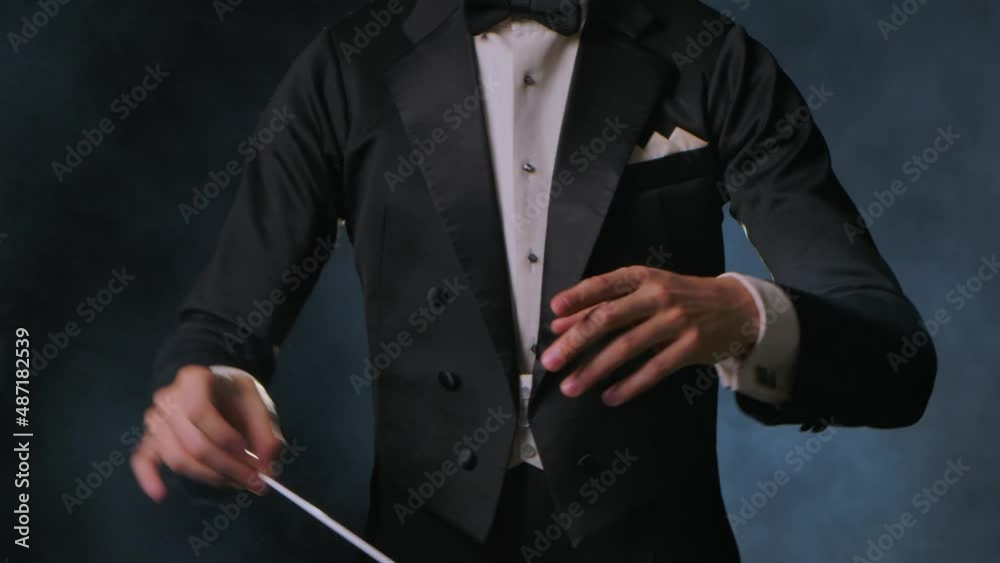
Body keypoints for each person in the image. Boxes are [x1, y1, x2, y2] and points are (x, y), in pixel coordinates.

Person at [130, 0, 937, 561]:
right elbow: (224, 323)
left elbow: (897, 360)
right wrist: (212, 384)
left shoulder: (717, 60)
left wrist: (744, 314)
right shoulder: (346, 68)